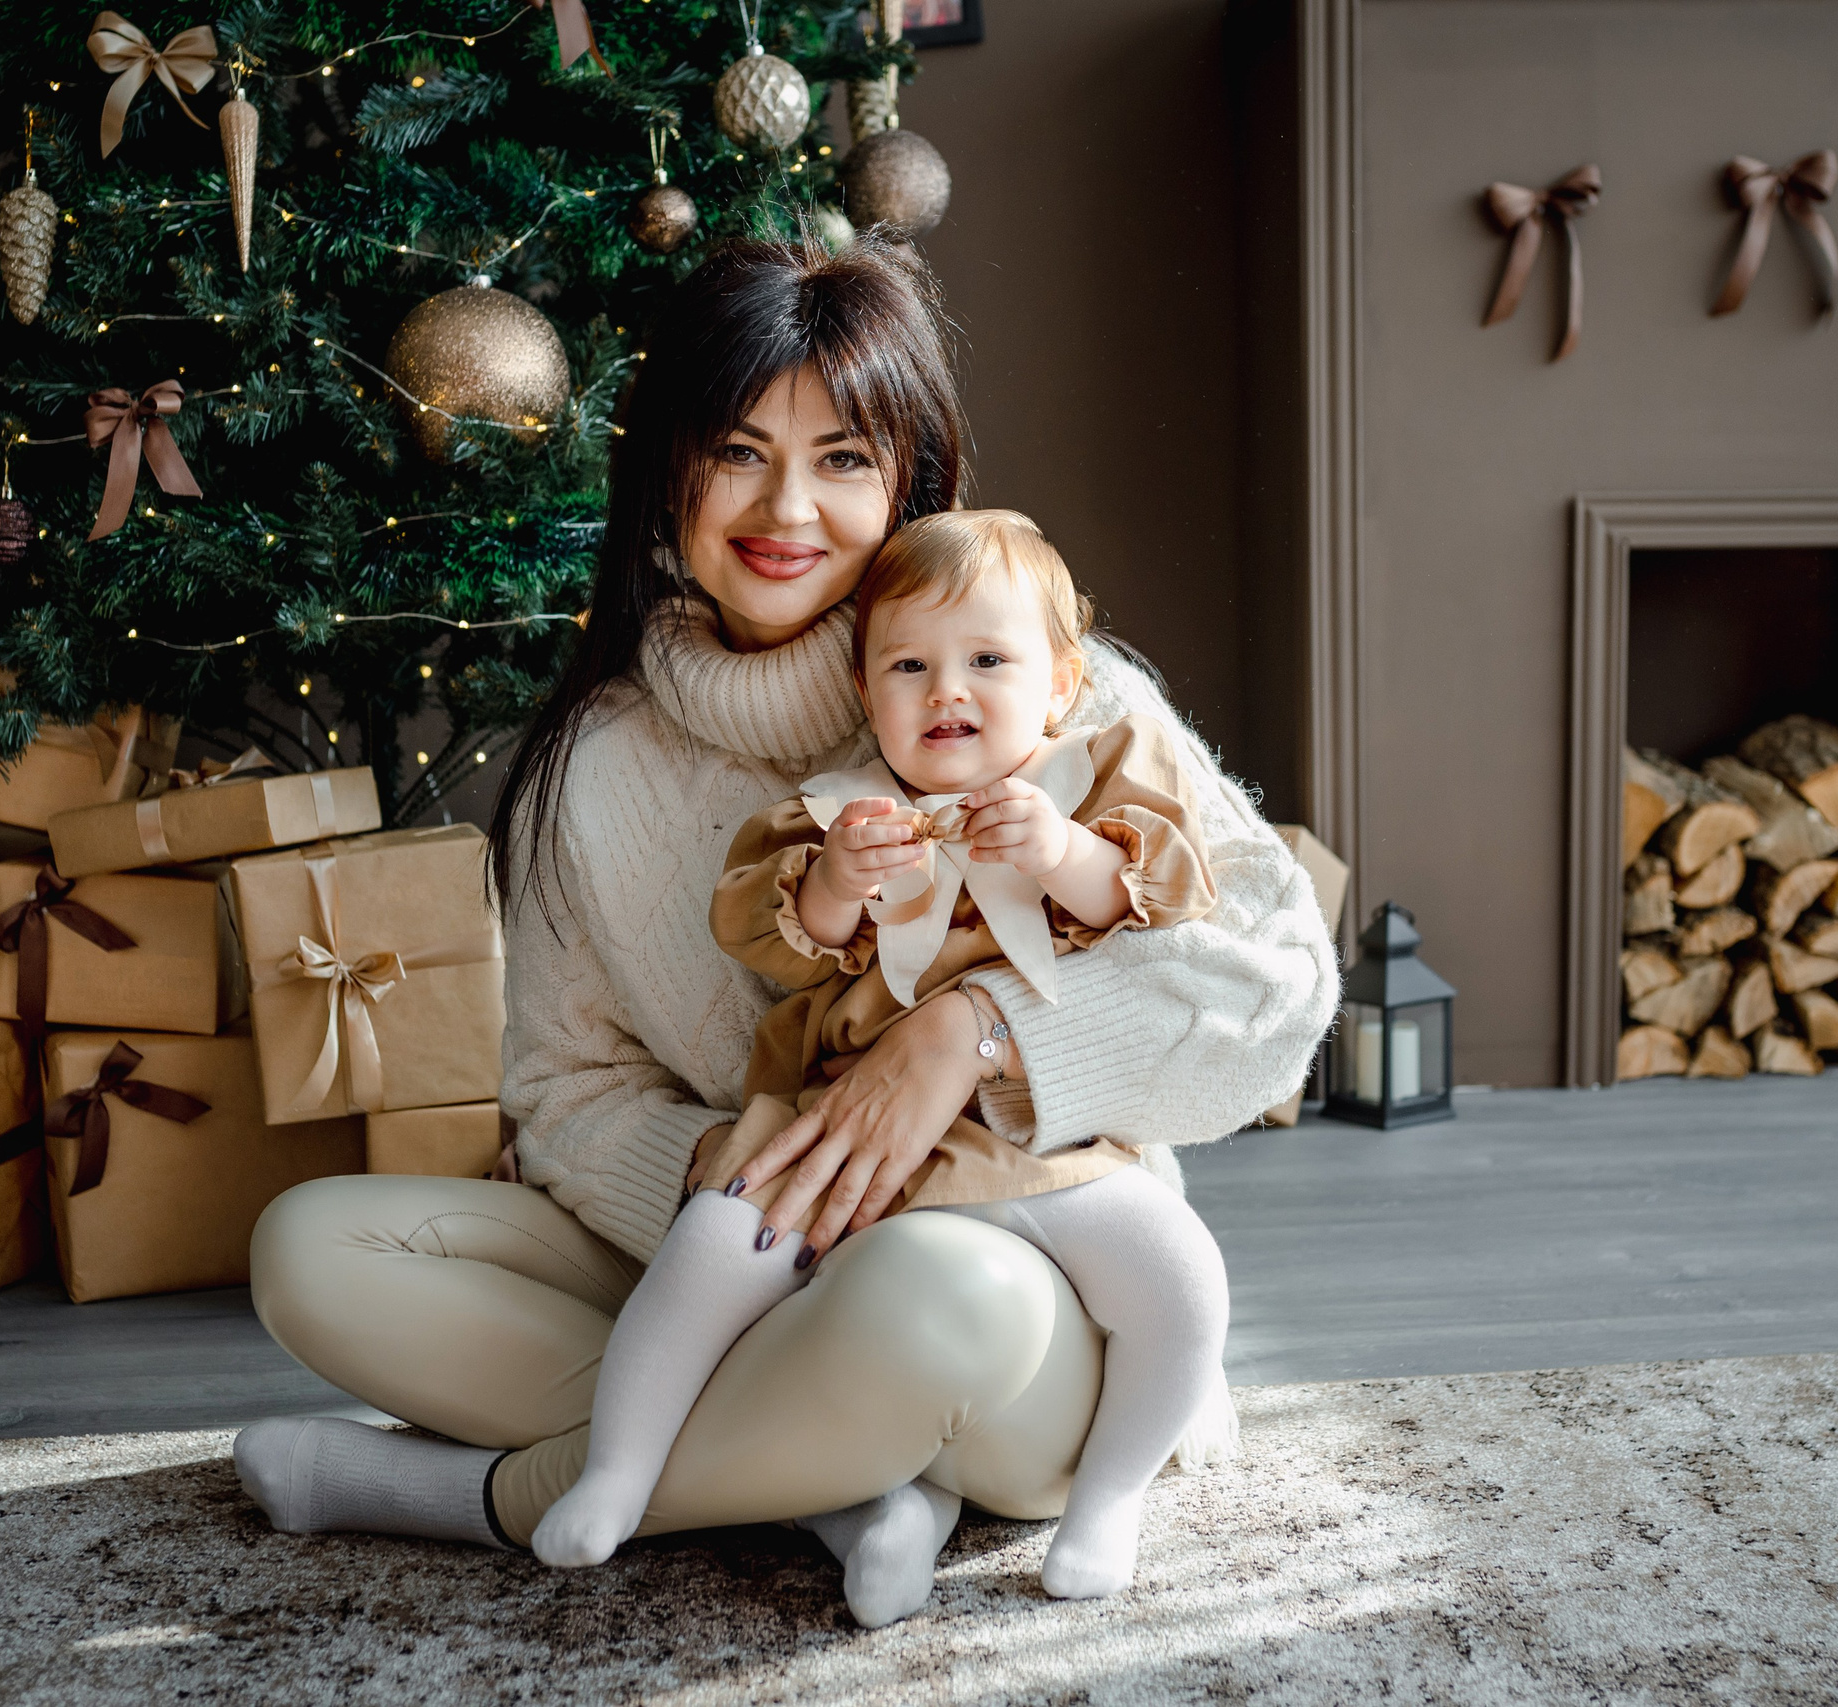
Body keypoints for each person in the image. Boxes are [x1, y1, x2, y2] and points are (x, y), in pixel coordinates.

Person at [233, 237, 1338, 1629]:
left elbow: (1280, 986)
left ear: (909, 478)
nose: (787, 508)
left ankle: (474, 1494)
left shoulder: (1048, 689)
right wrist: (759, 1176)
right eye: (739, 453)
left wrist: (976, 1033)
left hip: (1024, 1274)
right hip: (745, 1250)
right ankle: (841, 1482)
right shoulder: (592, 766)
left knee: (934, 1294)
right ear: (669, 471)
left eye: (844, 460)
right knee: (314, 1247)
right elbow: (565, 1095)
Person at [530, 510, 1234, 1604]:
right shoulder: (841, 811)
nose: (947, 690)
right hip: (853, 1136)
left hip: (1031, 1137)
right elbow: (771, 938)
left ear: (1059, 684)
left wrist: (1063, 853)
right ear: (867, 693)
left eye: (988, 661)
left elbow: (1161, 900)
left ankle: (1109, 1500)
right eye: (909, 666)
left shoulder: (1093, 777)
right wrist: (835, 882)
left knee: (1178, 1274)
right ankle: (623, 1473)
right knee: (712, 1246)